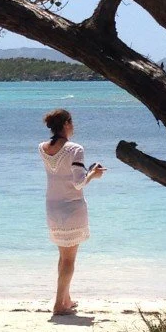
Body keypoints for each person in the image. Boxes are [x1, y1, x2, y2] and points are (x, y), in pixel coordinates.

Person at [39, 108, 104, 316]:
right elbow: (78, 183)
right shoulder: (75, 149)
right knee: (69, 259)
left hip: (52, 206)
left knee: (62, 256)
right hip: (72, 207)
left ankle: (66, 298)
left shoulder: (42, 148)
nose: (73, 126)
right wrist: (93, 174)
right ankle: (59, 304)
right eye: (72, 122)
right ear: (66, 124)